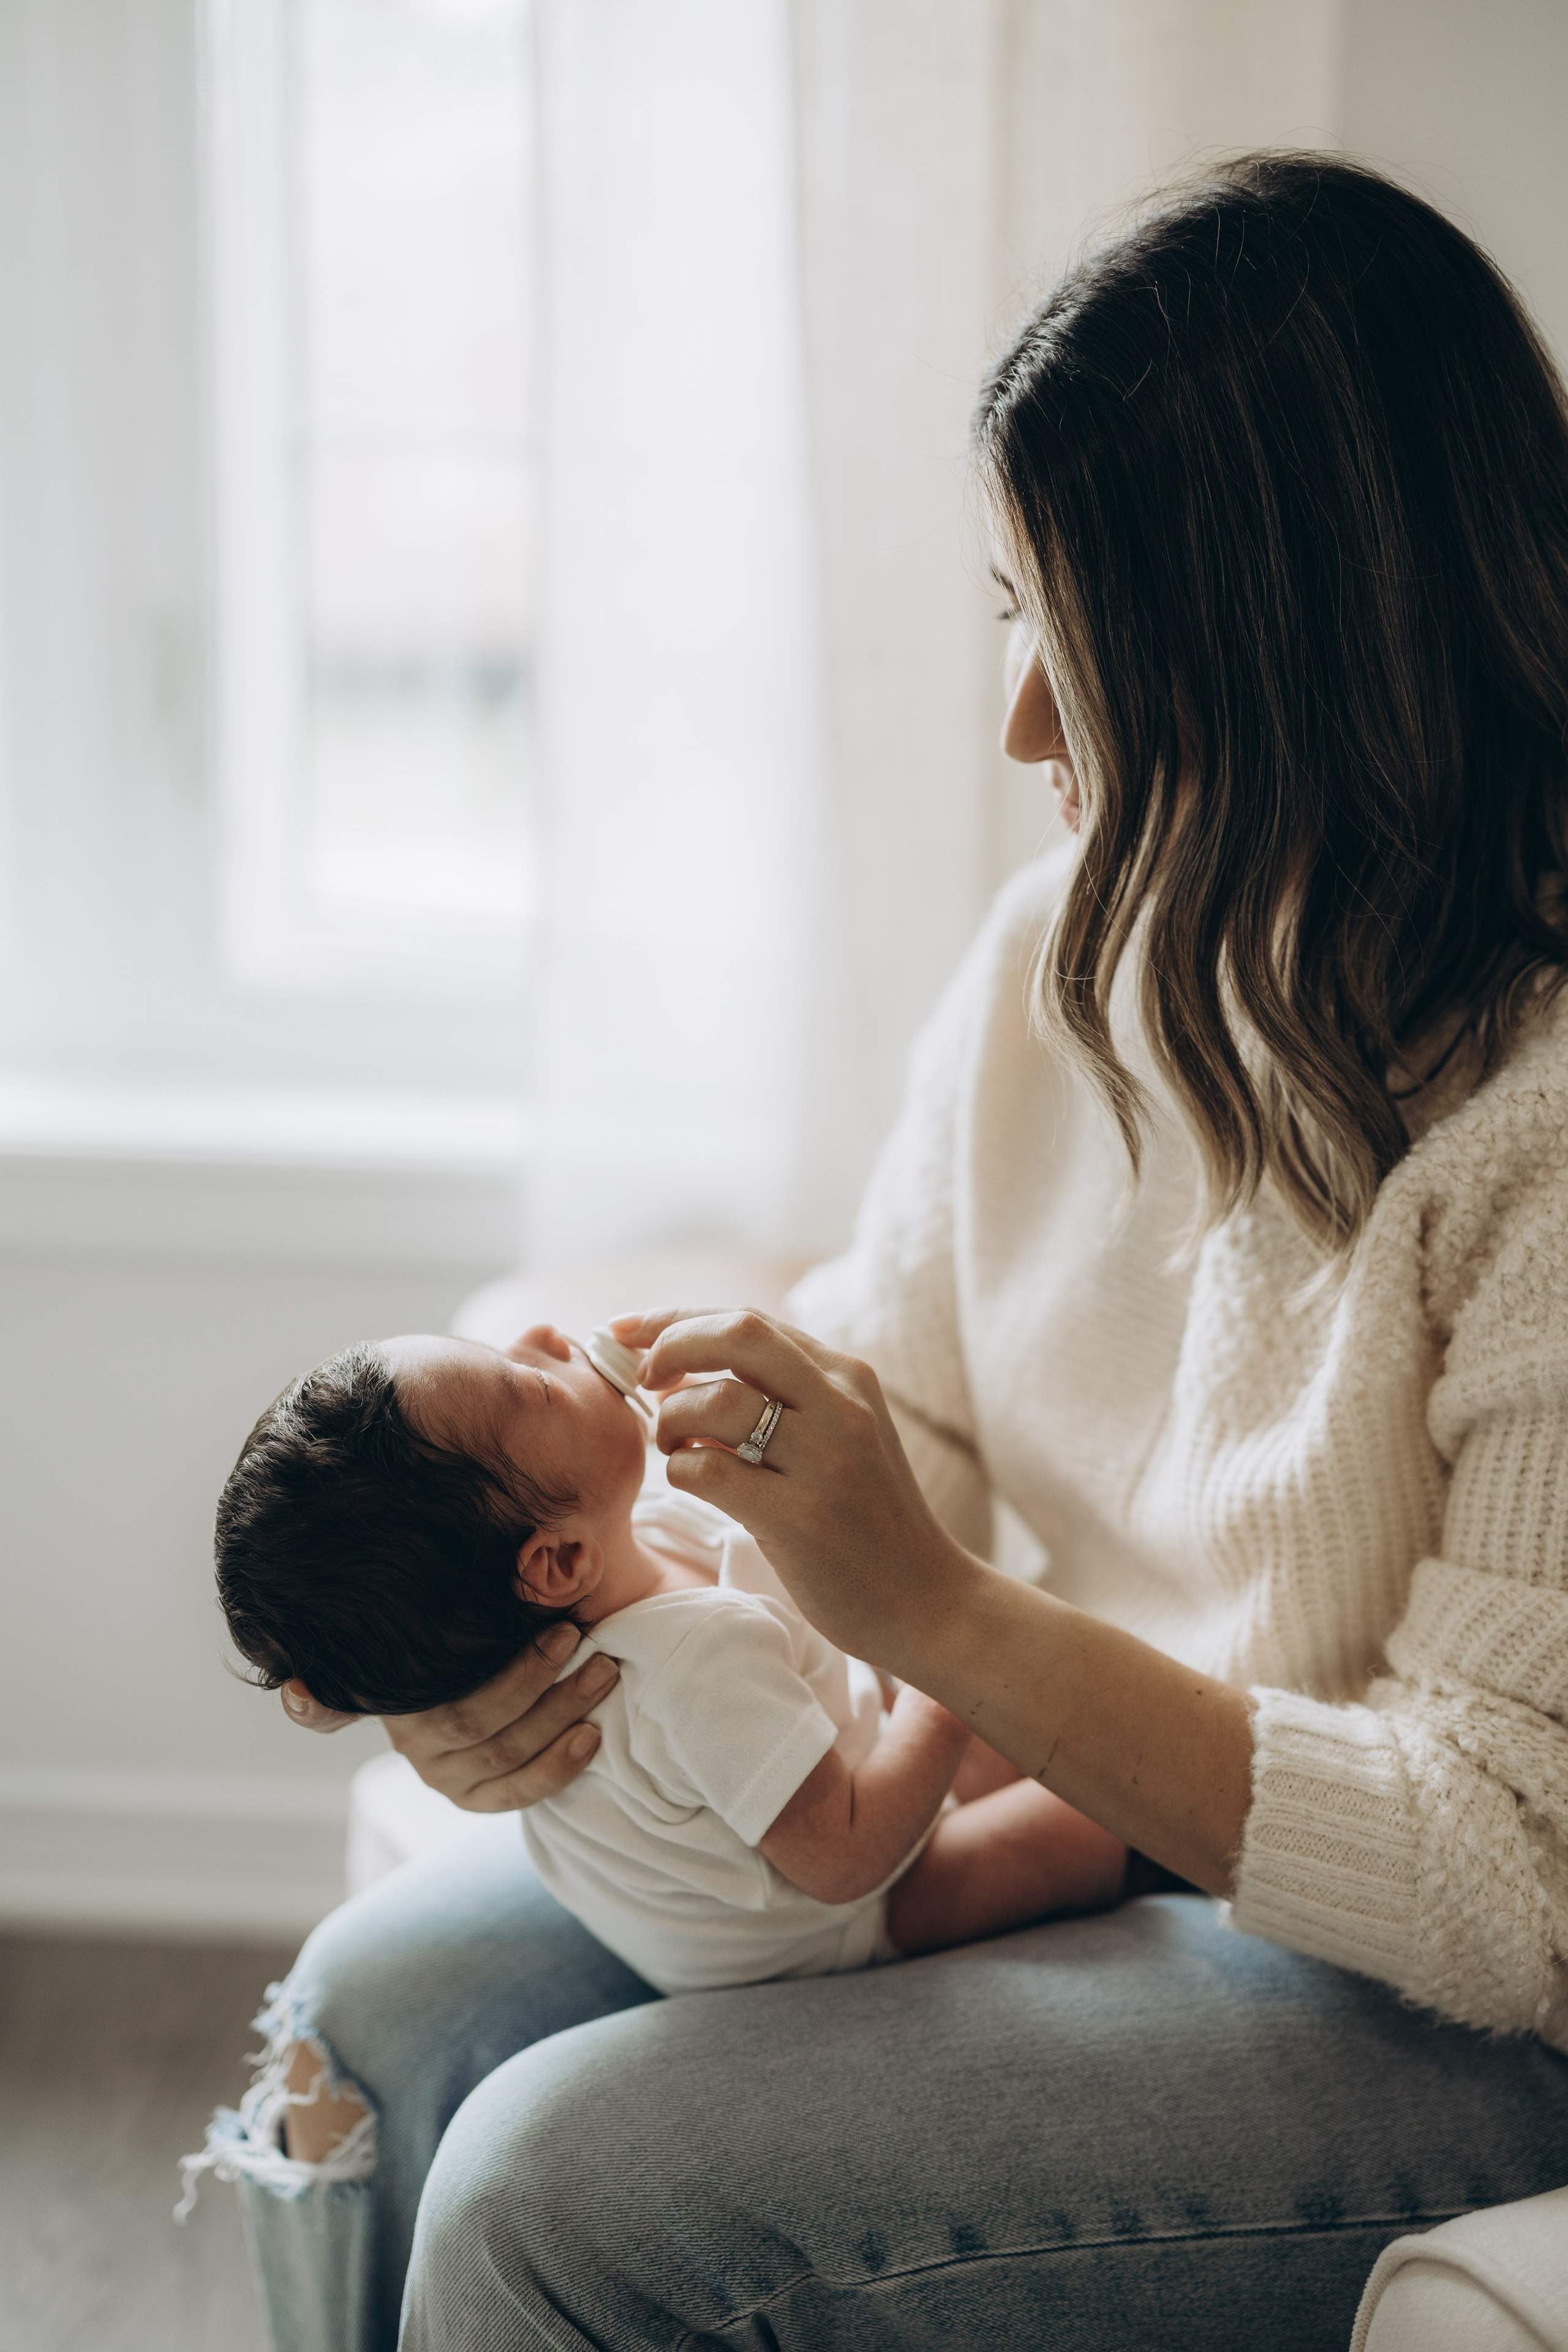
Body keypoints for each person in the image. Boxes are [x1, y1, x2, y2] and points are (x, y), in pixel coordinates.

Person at [199, 154, 1568, 2352]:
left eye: (1079, 629)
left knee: (562, 2199)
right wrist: (489, 1646)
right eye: (1011, 611)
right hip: (1064, 1813)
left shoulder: (1540, 1130)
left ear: (1297, 647)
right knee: (384, 2007)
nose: (1024, 718)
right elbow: (898, 1383)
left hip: (1398, 1981)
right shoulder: (1083, 944)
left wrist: (940, 1622)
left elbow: (1512, 1879)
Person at [208, 1327, 1126, 1992]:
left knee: (1007, 1743)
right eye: (530, 1385)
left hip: (785, 1802)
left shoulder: (612, 1552)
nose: (538, 1334)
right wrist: (946, 1682)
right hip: (828, 1924)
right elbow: (845, 1858)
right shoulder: (692, 1663)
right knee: (1083, 1820)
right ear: (557, 1561)